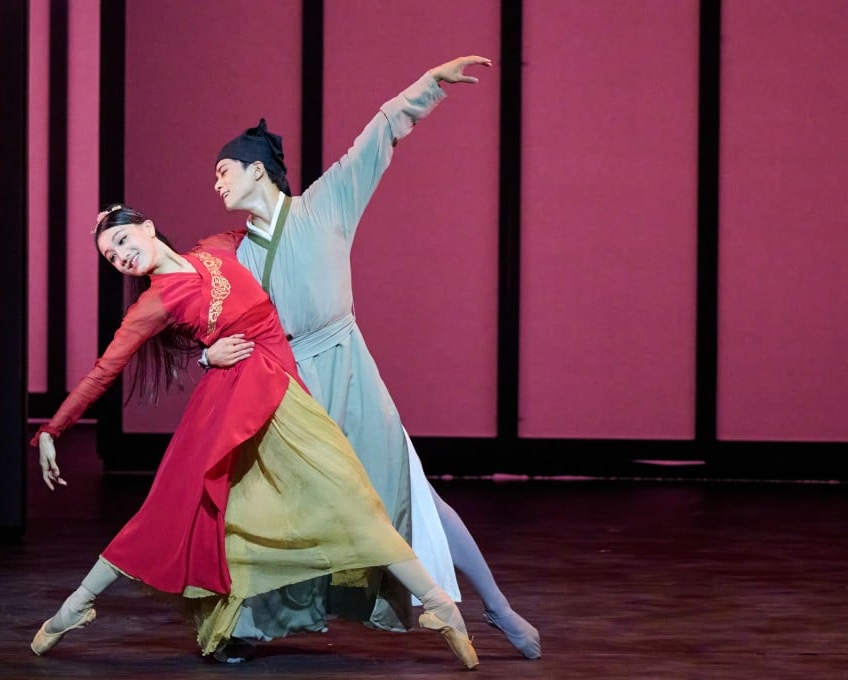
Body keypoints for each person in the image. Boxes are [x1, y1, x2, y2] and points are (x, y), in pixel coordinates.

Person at [28, 204, 479, 670]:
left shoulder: (217, 248)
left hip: (282, 394)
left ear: (146, 228)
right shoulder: (154, 303)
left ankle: (439, 606)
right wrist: (52, 429)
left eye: (122, 242)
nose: (119, 257)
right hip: (230, 405)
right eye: (110, 257)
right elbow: (105, 371)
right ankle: (76, 606)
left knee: (352, 502)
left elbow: (274, 220)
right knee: (170, 514)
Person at [202, 55, 541, 659]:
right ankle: (249, 627)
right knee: (271, 510)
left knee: (412, 499)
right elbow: (203, 315)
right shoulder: (235, 256)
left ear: (259, 171)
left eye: (225, 171)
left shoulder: (324, 206)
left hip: (350, 374)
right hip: (291, 393)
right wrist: (210, 357)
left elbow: (377, 136)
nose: (217, 183)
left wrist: (429, 85)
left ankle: (496, 605)